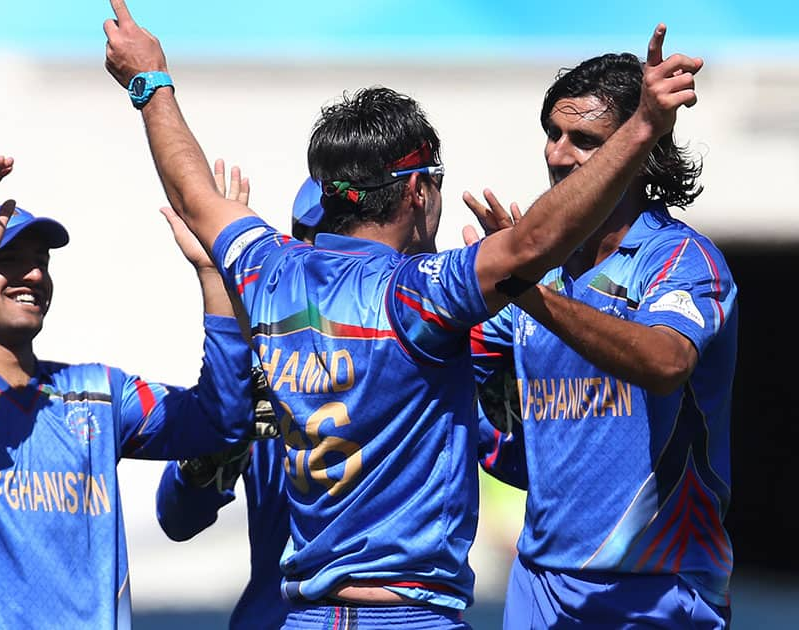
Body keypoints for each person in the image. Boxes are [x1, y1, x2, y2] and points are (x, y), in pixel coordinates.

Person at [104, 4, 702, 626]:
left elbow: (194, 194)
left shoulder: (267, 274)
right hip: (410, 616)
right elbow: (530, 248)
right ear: (419, 193)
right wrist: (643, 129)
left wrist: (151, 83)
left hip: (305, 616)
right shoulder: (419, 295)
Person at [0, 155, 254, 629]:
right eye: (7, 261)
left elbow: (222, 421)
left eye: (41, 263)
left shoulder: (97, 392)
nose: (34, 276)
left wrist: (215, 276)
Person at [467, 51, 737, 628]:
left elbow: (667, 361)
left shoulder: (682, 260)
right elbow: (449, 370)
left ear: (637, 153)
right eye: (553, 133)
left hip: (656, 590)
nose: (558, 154)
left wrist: (525, 292)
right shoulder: (538, 269)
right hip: (538, 584)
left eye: (584, 139)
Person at [154, 175, 323, 630]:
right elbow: (177, 516)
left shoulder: (421, 355)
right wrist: (223, 444)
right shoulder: (262, 367)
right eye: (315, 245)